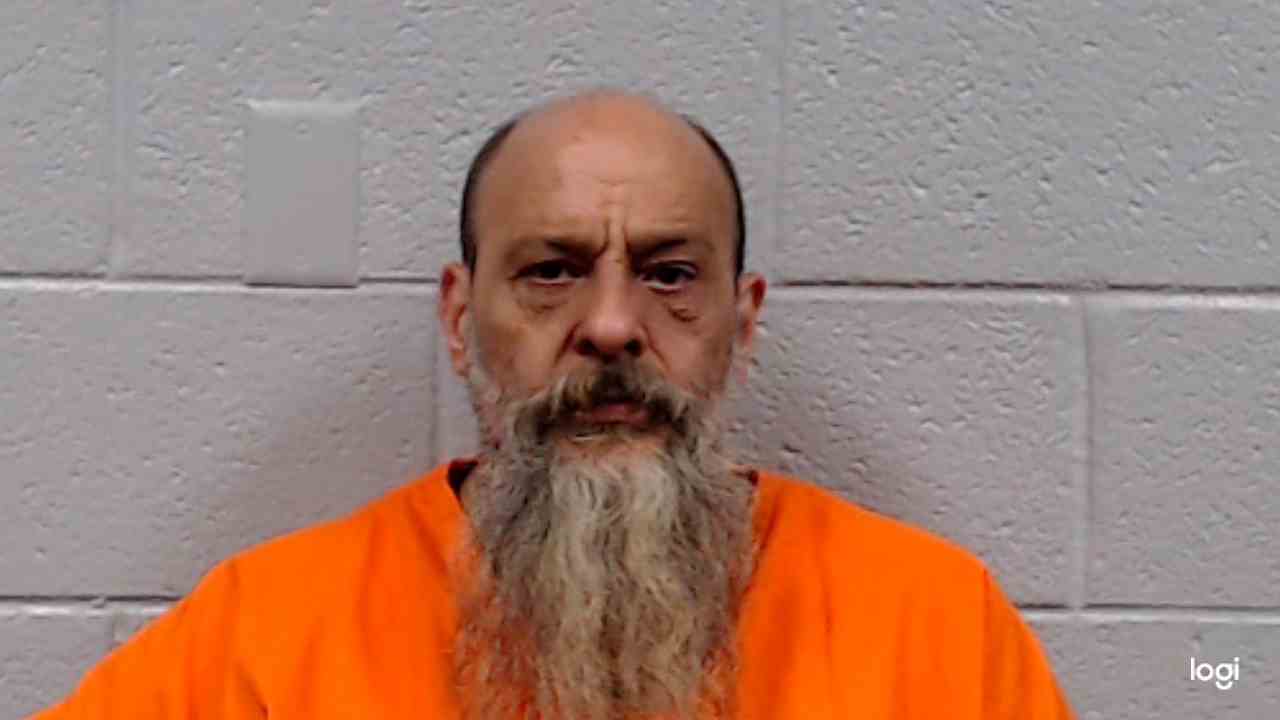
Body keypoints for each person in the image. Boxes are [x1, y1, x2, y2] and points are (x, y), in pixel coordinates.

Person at [32, 87, 1075, 719]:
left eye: (670, 275)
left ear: (742, 320)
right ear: (459, 317)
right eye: (550, 272)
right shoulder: (267, 632)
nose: (612, 325)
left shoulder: (937, 624)